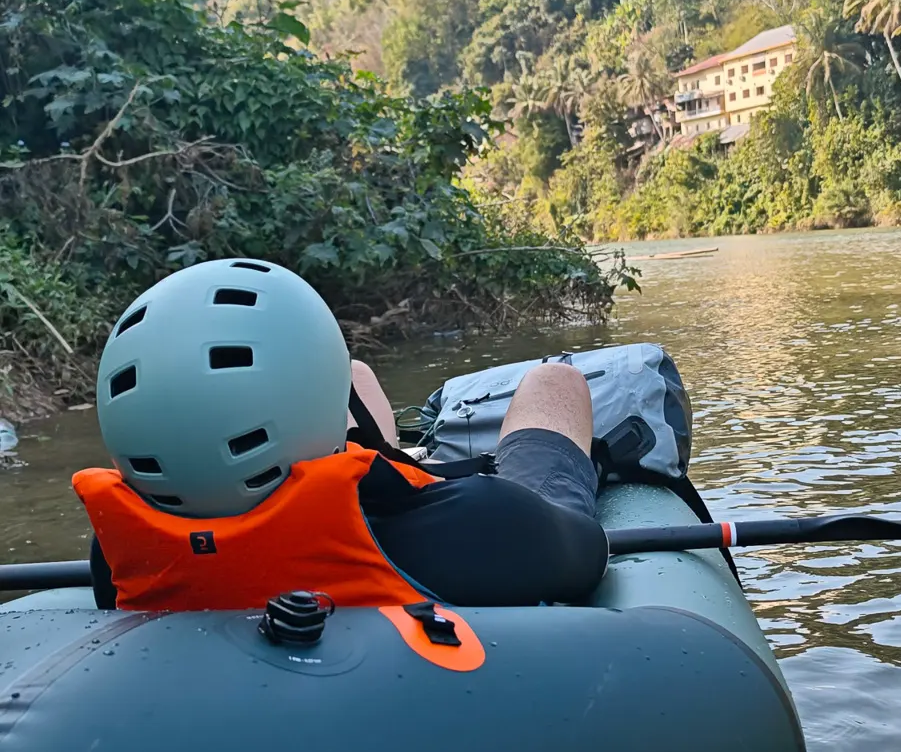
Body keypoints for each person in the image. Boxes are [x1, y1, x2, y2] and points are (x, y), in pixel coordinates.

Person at [74, 258, 608, 613]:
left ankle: (379, 457)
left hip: (353, 519)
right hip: (400, 534)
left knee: (355, 374)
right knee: (554, 379)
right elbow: (589, 553)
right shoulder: (476, 523)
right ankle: (380, 460)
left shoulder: (119, 559)